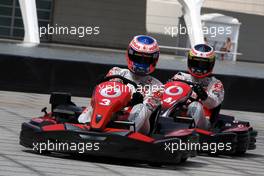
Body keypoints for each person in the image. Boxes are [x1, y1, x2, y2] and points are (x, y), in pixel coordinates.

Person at [78, 35, 163, 134]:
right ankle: (83, 124)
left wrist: (134, 102)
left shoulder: (158, 86)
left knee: (141, 107)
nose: (141, 63)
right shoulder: (116, 72)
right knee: (99, 99)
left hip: (138, 127)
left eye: (146, 60)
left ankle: (127, 132)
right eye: (137, 58)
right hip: (111, 115)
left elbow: (148, 111)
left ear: (154, 60)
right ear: (129, 55)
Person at [171, 44, 224, 130]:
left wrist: (203, 95)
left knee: (195, 106)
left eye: (203, 65)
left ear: (211, 64)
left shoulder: (215, 84)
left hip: (203, 122)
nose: (199, 68)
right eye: (196, 63)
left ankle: (186, 133)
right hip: (177, 114)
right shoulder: (179, 76)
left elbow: (213, 104)